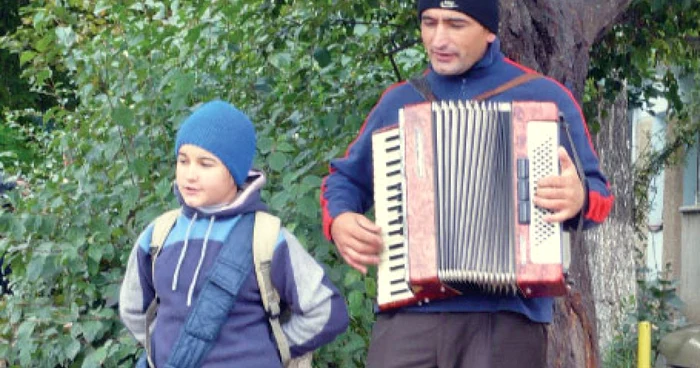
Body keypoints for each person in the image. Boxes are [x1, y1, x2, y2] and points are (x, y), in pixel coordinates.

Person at [320, 1, 614, 367]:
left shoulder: (546, 98)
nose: (438, 38)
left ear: (490, 31)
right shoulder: (399, 102)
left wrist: (579, 197)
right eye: (429, 22)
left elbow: (600, 196)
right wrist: (342, 220)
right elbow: (345, 179)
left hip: (507, 320)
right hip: (410, 314)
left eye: (456, 24)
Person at [120, 100, 349, 367]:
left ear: (235, 173)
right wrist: (165, 348)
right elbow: (133, 308)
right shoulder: (158, 234)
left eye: (206, 164)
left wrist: (272, 349)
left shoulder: (267, 238)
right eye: (183, 161)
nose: (190, 175)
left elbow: (326, 310)